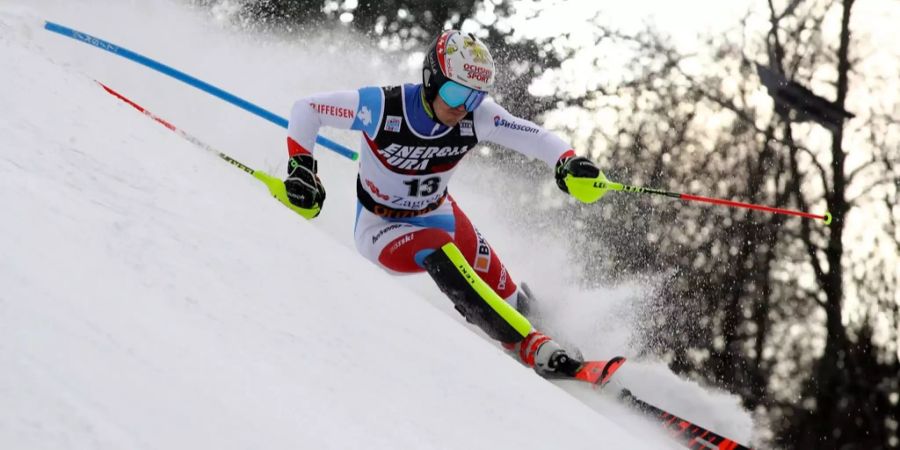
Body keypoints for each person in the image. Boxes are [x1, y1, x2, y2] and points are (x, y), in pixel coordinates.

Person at [282, 30, 604, 378]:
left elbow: (537, 138)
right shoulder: (384, 107)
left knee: (509, 295)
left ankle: (563, 348)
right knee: (440, 246)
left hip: (439, 212)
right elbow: (308, 109)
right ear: (431, 81)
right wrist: (302, 168)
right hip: (383, 228)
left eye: (474, 98)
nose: (461, 107)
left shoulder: (477, 117)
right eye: (454, 92)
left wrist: (567, 161)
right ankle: (523, 344)